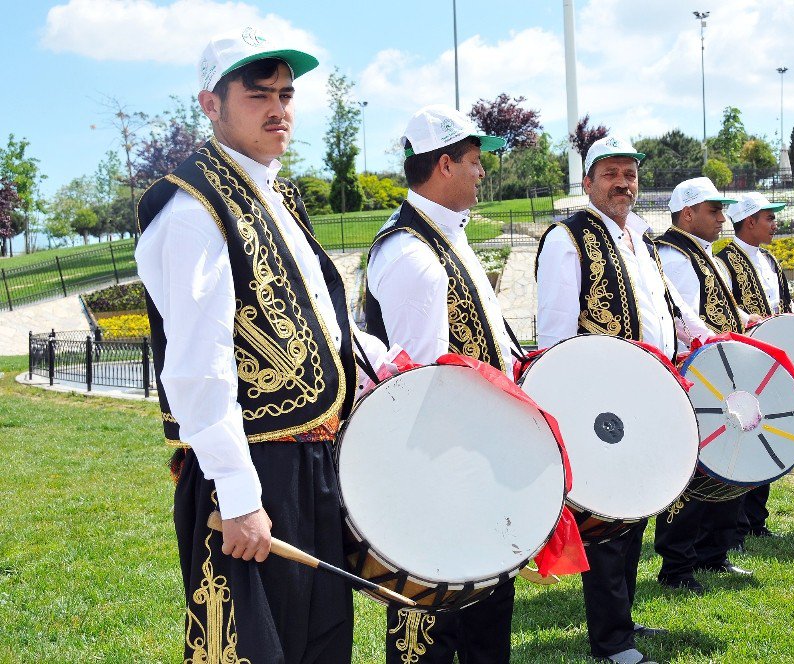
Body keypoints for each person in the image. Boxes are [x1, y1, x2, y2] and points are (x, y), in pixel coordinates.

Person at [136, 27, 386, 663]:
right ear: (211, 104)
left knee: (321, 644)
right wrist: (240, 496)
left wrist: (376, 360)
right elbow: (198, 366)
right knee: (255, 650)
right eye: (258, 96)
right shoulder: (193, 208)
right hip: (252, 466)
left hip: (310, 460)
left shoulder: (273, 191)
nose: (279, 110)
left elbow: (310, 311)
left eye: (286, 94)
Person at [535, 136, 709, 664]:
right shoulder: (568, 238)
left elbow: (668, 310)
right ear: (587, 182)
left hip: (649, 391)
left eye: (630, 174)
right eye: (610, 173)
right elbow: (557, 332)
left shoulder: (641, 238)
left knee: (635, 505)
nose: (623, 184)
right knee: (608, 518)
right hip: (599, 398)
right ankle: (611, 642)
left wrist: (708, 340)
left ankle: (623, 620)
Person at [365, 104, 517, 664]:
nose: (482, 173)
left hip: (474, 448)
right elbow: (417, 381)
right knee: (430, 611)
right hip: (441, 461)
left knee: (486, 596)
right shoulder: (412, 253)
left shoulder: (445, 239)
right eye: (475, 162)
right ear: (445, 164)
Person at [651, 177, 756, 594]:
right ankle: (678, 565)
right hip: (697, 377)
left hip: (719, 373)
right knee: (694, 472)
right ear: (687, 213)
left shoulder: (702, 253)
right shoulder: (675, 255)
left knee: (726, 463)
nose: (722, 218)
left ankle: (714, 553)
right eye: (714, 210)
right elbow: (680, 318)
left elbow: (717, 311)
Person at [717, 192, 794, 548]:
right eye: (769, 217)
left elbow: (784, 304)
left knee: (765, 435)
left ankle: (755, 519)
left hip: (770, 366)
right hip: (741, 366)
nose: (774, 223)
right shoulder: (723, 260)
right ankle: (733, 526)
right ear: (749, 221)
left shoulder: (769, 259)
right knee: (740, 441)